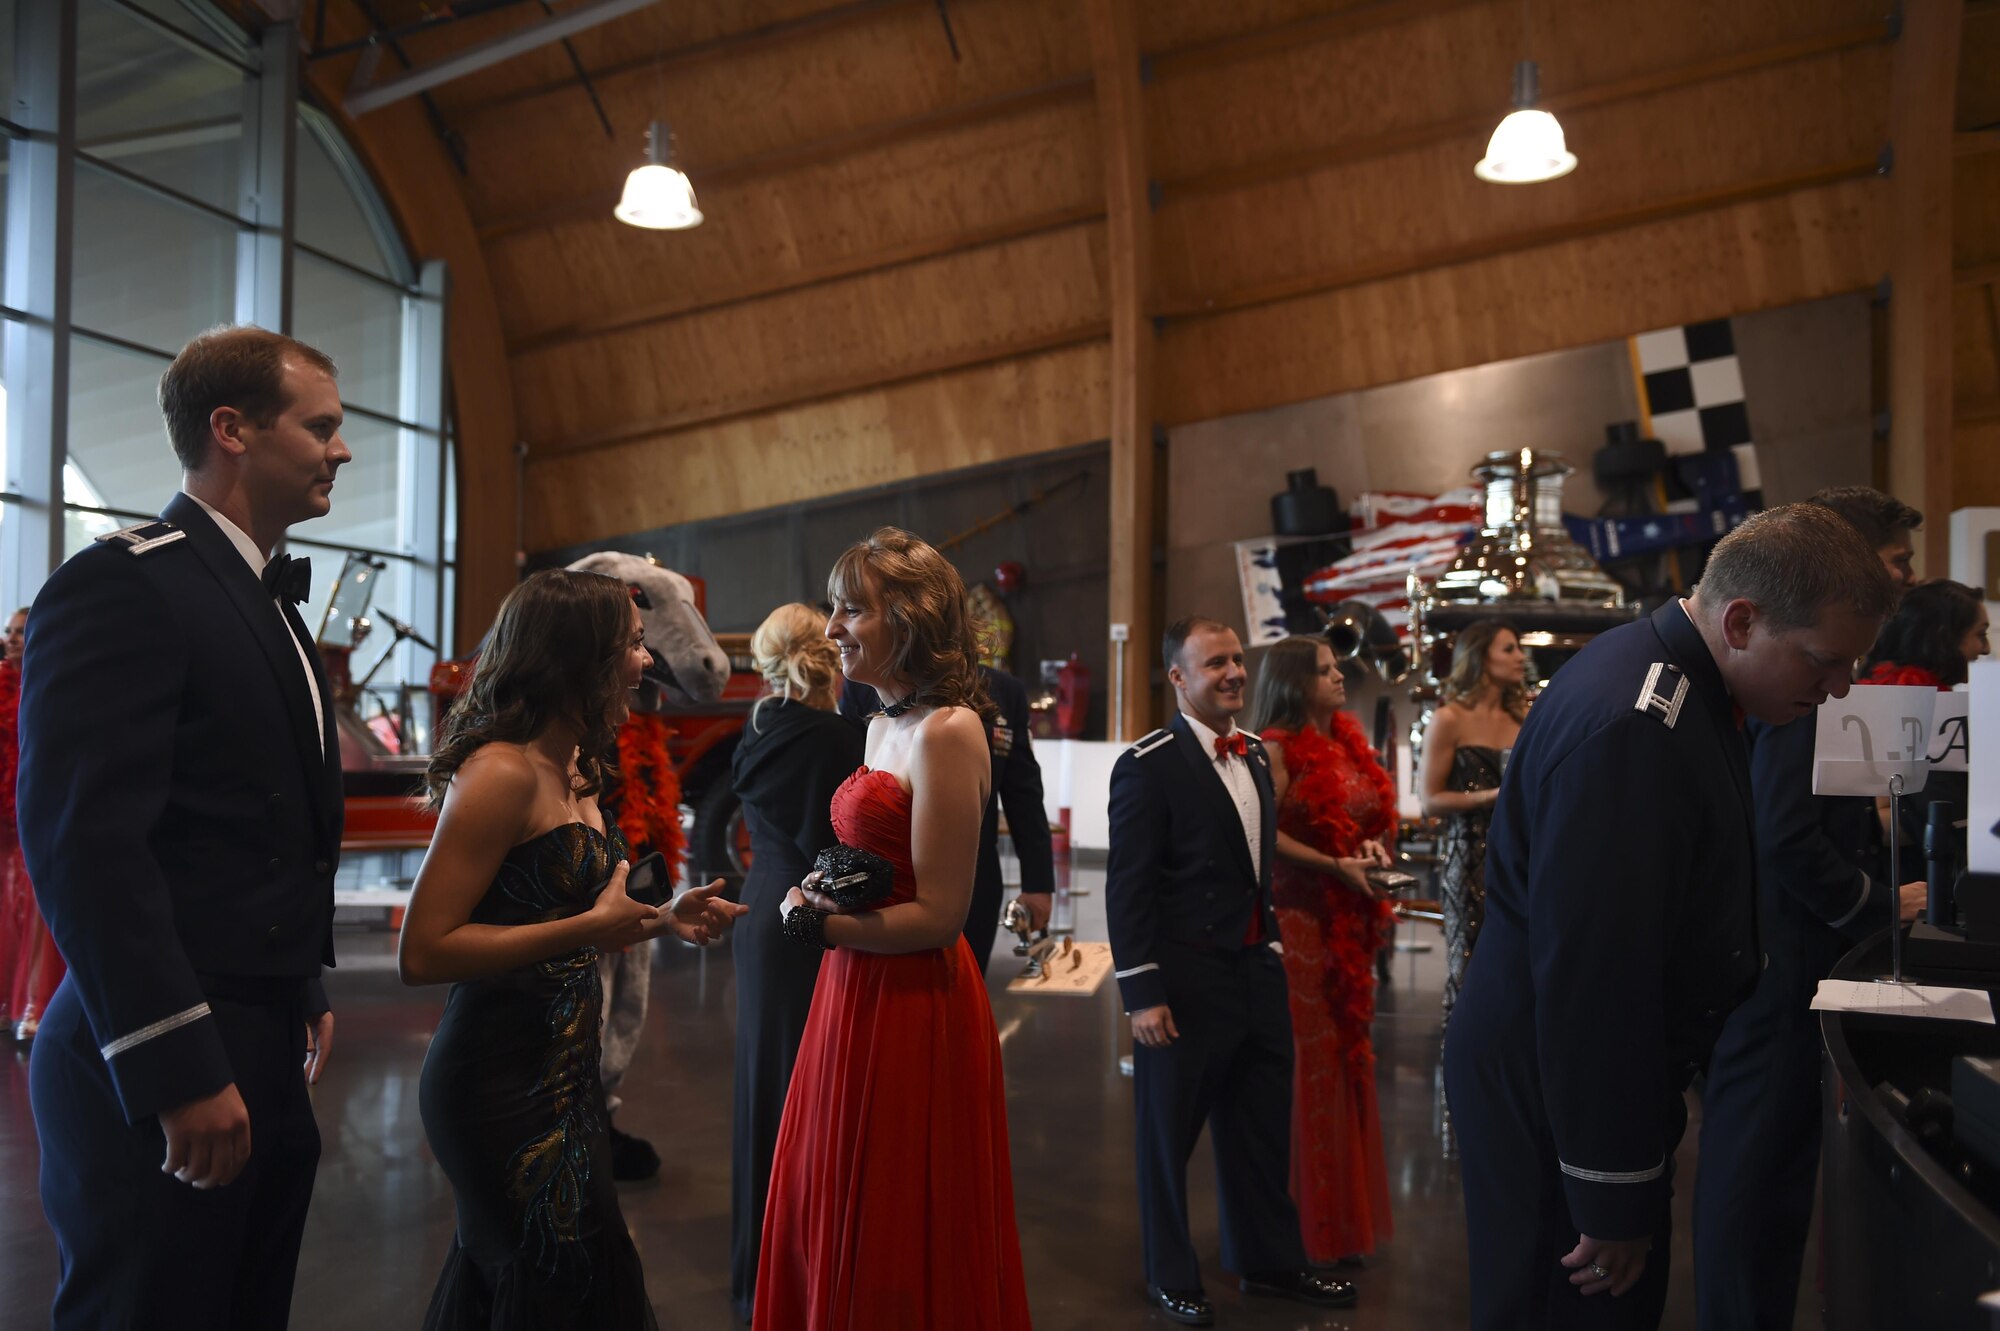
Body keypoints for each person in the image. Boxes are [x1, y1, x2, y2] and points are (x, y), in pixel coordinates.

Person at [1443, 503, 1897, 1331]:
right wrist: (1611, 1193)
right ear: (1741, 619)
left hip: (1579, 1071)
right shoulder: (1637, 729)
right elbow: (1596, 984)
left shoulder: (1675, 680)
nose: (1838, 689)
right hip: (1557, 1081)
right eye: (1826, 662)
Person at [19, 326, 350, 1328]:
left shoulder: (265, 600)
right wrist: (174, 1062)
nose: (341, 450)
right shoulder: (126, 581)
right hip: (163, 1038)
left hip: (255, 1026)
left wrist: (299, 982)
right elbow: (86, 842)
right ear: (231, 428)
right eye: (322, 426)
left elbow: (262, 825)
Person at [399, 568, 745, 1330]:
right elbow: (421, 952)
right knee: (545, 1281)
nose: (647, 660)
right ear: (578, 657)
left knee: (580, 1276)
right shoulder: (499, 772)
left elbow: (578, 911)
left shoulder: (583, 762)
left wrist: (663, 916)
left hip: (566, 1075)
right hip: (492, 1082)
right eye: (631, 646)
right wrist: (588, 931)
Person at [754, 527, 1030, 1331]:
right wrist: (820, 889)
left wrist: (817, 927)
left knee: (898, 1210)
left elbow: (941, 916)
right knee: (837, 1187)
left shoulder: (951, 730)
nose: (832, 627)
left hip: (914, 999)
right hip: (853, 989)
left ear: (908, 618)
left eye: (850, 610)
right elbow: (868, 861)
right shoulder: (878, 725)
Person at [1693, 488, 1927, 1331]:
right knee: (1756, 1180)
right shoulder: (1808, 674)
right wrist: (1871, 902)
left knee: (1774, 1178)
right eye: (1896, 563)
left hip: (1790, 956)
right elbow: (1783, 830)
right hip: (1783, 961)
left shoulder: (1826, 661)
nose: (1909, 578)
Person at [1107, 615, 1359, 1327]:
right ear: (1178, 677)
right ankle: (1170, 1273)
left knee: (1259, 1128)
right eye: (1214, 662)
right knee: (1168, 1139)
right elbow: (1128, 889)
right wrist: (1142, 992)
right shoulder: (1147, 763)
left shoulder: (1251, 753)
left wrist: (1272, 945)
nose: (1233, 673)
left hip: (1255, 970)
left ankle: (1270, 1262)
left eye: (1238, 660)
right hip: (1182, 984)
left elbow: (1256, 868)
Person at [728, 603, 865, 1324]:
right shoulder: (837, 737)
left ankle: (759, 1270)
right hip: (804, 924)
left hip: (758, 917)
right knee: (809, 1097)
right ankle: (805, 1274)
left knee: (765, 1091)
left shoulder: (759, 727)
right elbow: (835, 848)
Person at [1248, 635, 1398, 1265]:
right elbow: (1261, 837)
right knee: (1309, 1070)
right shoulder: (1276, 751)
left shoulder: (1344, 739)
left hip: (1348, 923)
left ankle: (1341, 1218)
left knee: (1345, 1060)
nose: (1341, 678)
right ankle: (1304, 1228)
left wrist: (1367, 854)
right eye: (1326, 670)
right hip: (1300, 924)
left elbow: (1368, 816)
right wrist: (1334, 865)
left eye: (1339, 668)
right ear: (1293, 682)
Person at [840, 662, 1056, 970]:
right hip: (886, 888)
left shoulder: (1003, 690)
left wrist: (1038, 882)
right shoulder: (865, 687)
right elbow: (851, 795)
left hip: (976, 876)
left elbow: (1024, 794)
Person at [1418, 619, 1526, 1020]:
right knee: (1468, 968)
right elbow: (1430, 800)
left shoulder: (1522, 716)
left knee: (1513, 972)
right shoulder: (1449, 718)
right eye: (1509, 649)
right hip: (1467, 859)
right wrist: (1491, 797)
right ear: (1480, 657)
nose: (1520, 657)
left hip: (1516, 855)